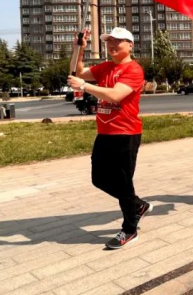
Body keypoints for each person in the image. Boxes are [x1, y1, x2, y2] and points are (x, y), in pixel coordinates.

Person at [67, 27, 148, 250]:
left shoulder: (133, 69)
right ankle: (137, 205)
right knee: (99, 179)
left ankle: (130, 230)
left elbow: (115, 95)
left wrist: (84, 86)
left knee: (124, 183)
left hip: (126, 133)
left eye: (117, 41)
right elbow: (78, 72)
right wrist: (79, 49)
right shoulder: (105, 67)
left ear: (130, 45)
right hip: (105, 133)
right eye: (109, 42)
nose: (112, 45)